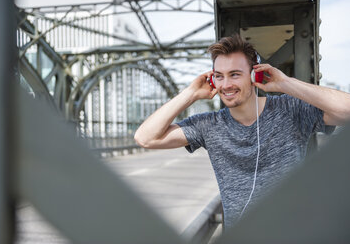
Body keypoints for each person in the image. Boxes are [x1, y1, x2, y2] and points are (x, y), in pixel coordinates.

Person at [134, 34, 350, 229]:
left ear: (254, 76)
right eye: (219, 76)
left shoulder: (290, 109)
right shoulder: (208, 125)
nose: (226, 84)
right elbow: (145, 138)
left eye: (235, 74)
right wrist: (189, 94)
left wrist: (285, 83)